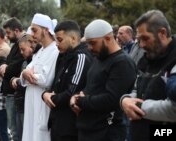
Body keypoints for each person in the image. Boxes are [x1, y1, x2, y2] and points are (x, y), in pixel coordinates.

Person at [70, 19, 137, 141]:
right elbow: (91, 87)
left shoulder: (122, 62)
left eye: (93, 43)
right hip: (88, 129)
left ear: (107, 38)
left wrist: (81, 101)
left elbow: (112, 99)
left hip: (108, 131)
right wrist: (75, 97)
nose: (89, 48)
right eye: (88, 44)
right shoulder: (99, 58)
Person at [120, 10, 176, 141]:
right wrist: (125, 100)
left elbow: (174, 110)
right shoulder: (147, 59)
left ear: (162, 33)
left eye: (145, 38)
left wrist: (138, 107)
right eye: (139, 40)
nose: (142, 45)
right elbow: (136, 88)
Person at [42, 20, 92, 141]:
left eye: (60, 40)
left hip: (70, 126)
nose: (57, 44)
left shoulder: (80, 57)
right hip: (57, 122)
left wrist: (51, 98)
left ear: (73, 38)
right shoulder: (64, 56)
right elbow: (55, 85)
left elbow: (71, 92)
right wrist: (45, 94)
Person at [20, 13, 59, 141]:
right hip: (31, 100)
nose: (32, 33)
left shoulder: (55, 51)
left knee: (40, 135)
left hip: (42, 103)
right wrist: (25, 73)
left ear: (46, 30)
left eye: (35, 29)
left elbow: (46, 79)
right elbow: (25, 73)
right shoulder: (40, 51)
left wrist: (29, 74)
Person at [0, 17, 25, 141]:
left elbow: (16, 66)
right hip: (10, 92)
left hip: (15, 93)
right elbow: (7, 60)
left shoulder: (23, 43)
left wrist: (6, 68)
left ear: (16, 30)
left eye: (8, 33)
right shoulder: (15, 45)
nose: (7, 36)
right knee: (13, 130)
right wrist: (4, 64)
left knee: (16, 132)